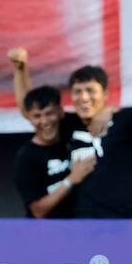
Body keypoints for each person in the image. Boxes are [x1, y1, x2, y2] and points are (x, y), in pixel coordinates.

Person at [9, 47, 132, 218]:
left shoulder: (127, 119)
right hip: (80, 227)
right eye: (78, 91)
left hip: (121, 224)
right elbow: (31, 108)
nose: (84, 97)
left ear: (105, 94)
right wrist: (20, 69)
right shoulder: (69, 124)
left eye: (90, 91)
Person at [11, 85, 96, 218]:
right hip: (47, 232)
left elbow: (97, 111)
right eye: (37, 116)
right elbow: (38, 211)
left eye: (49, 113)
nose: (44, 121)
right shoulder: (26, 158)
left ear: (61, 112)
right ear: (29, 118)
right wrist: (71, 179)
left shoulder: (71, 130)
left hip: (82, 224)